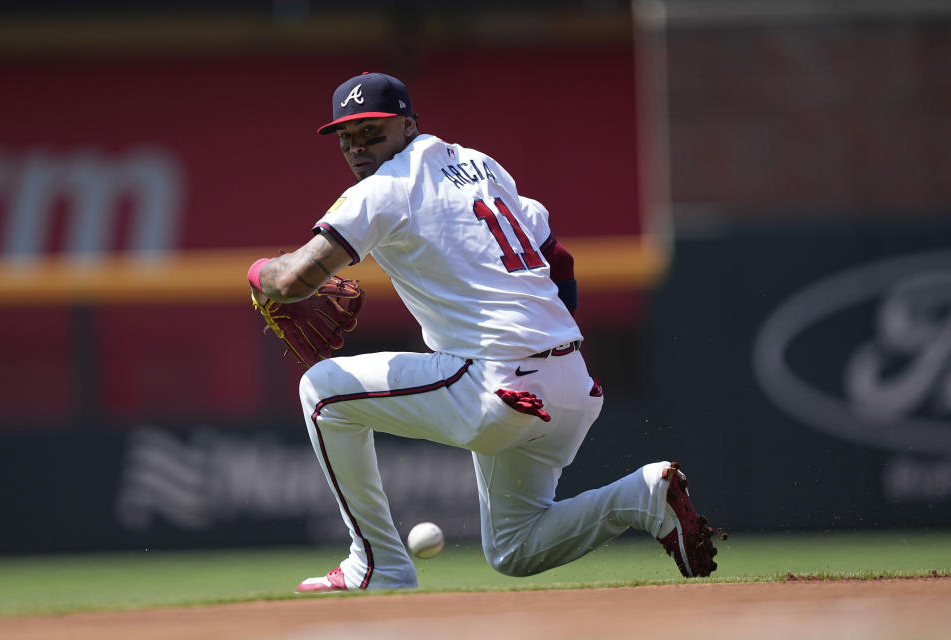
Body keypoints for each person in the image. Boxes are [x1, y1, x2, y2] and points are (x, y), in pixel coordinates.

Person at [247, 72, 718, 592]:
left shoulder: (383, 190)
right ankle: (644, 495)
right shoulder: (481, 166)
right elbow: (558, 260)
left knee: (320, 390)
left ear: (407, 125)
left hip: (497, 384)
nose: (358, 148)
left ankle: (376, 564)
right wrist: (547, 347)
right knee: (515, 548)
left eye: (371, 133)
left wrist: (257, 273)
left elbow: (292, 279)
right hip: (570, 384)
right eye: (346, 137)